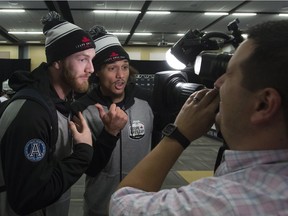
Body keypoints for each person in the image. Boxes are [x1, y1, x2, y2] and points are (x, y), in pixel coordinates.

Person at [109, 19, 288, 215]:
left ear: (264, 104)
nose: (217, 83)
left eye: (230, 74)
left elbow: (123, 204)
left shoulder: (222, 203)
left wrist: (178, 134)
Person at [0, 11, 96, 216]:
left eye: (92, 60)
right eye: (82, 59)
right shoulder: (32, 114)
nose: (91, 69)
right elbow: (28, 198)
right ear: (57, 61)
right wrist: (83, 153)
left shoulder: (60, 104)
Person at [71, 25, 154, 216]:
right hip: (101, 206)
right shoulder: (81, 110)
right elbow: (90, 168)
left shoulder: (146, 101)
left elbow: (157, 147)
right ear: (97, 71)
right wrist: (110, 133)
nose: (121, 75)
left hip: (141, 205)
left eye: (125, 67)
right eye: (112, 68)